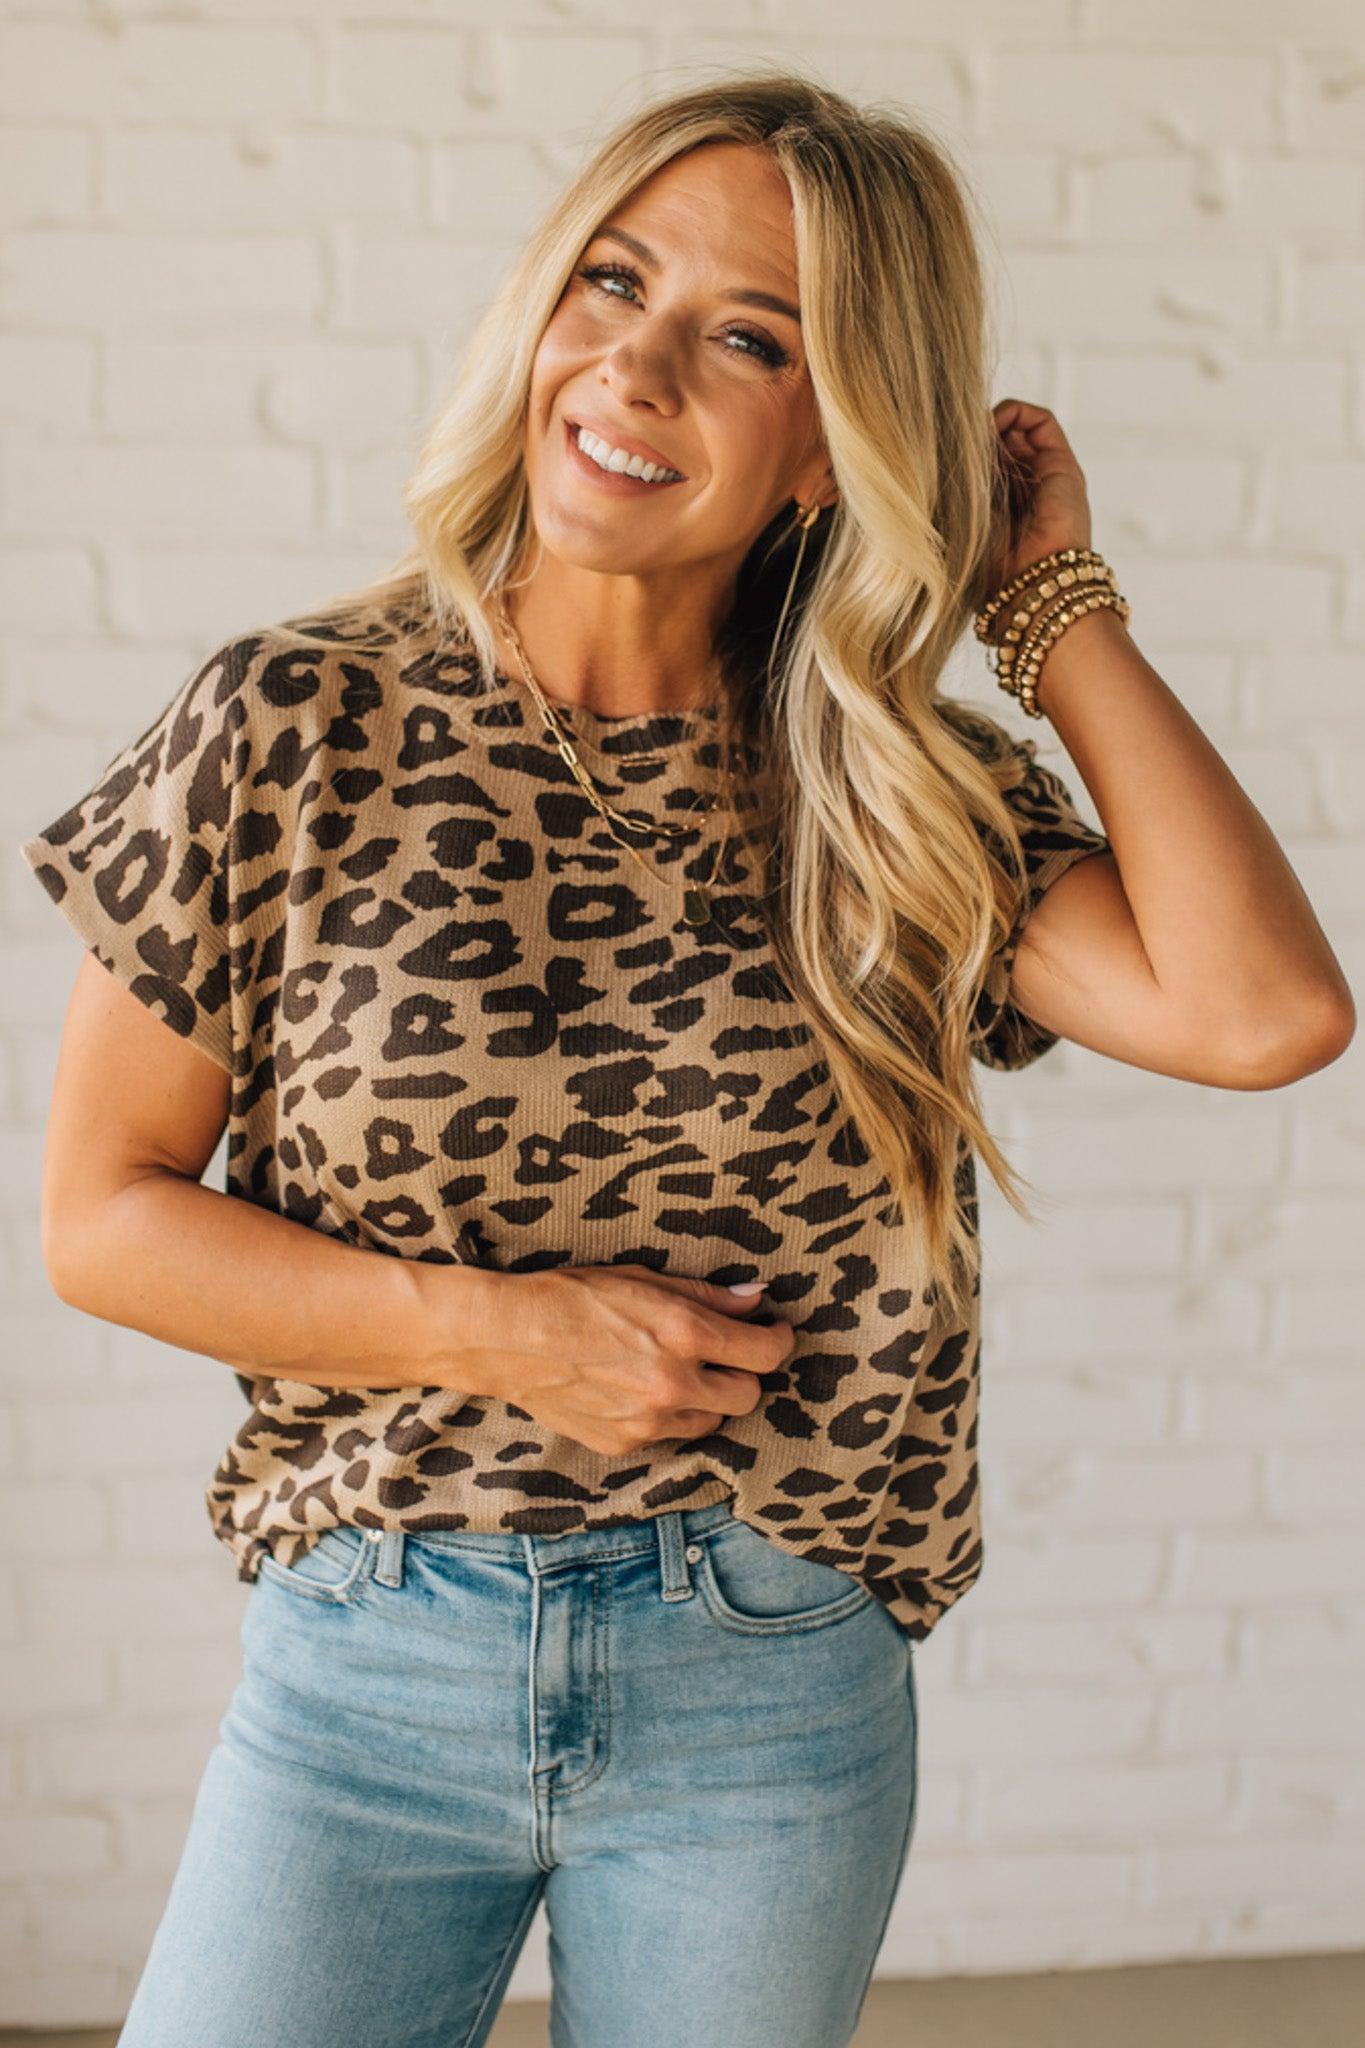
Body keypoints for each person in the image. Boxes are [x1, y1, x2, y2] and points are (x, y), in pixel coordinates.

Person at [21, 72, 1353, 2048]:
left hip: (767, 1686)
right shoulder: (293, 724)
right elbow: (100, 1220)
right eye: (610, 283)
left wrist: (1042, 604)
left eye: (747, 341)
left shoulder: (896, 799)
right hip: (371, 1668)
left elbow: (1264, 1015)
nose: (632, 369)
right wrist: (510, 1336)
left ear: (831, 444)